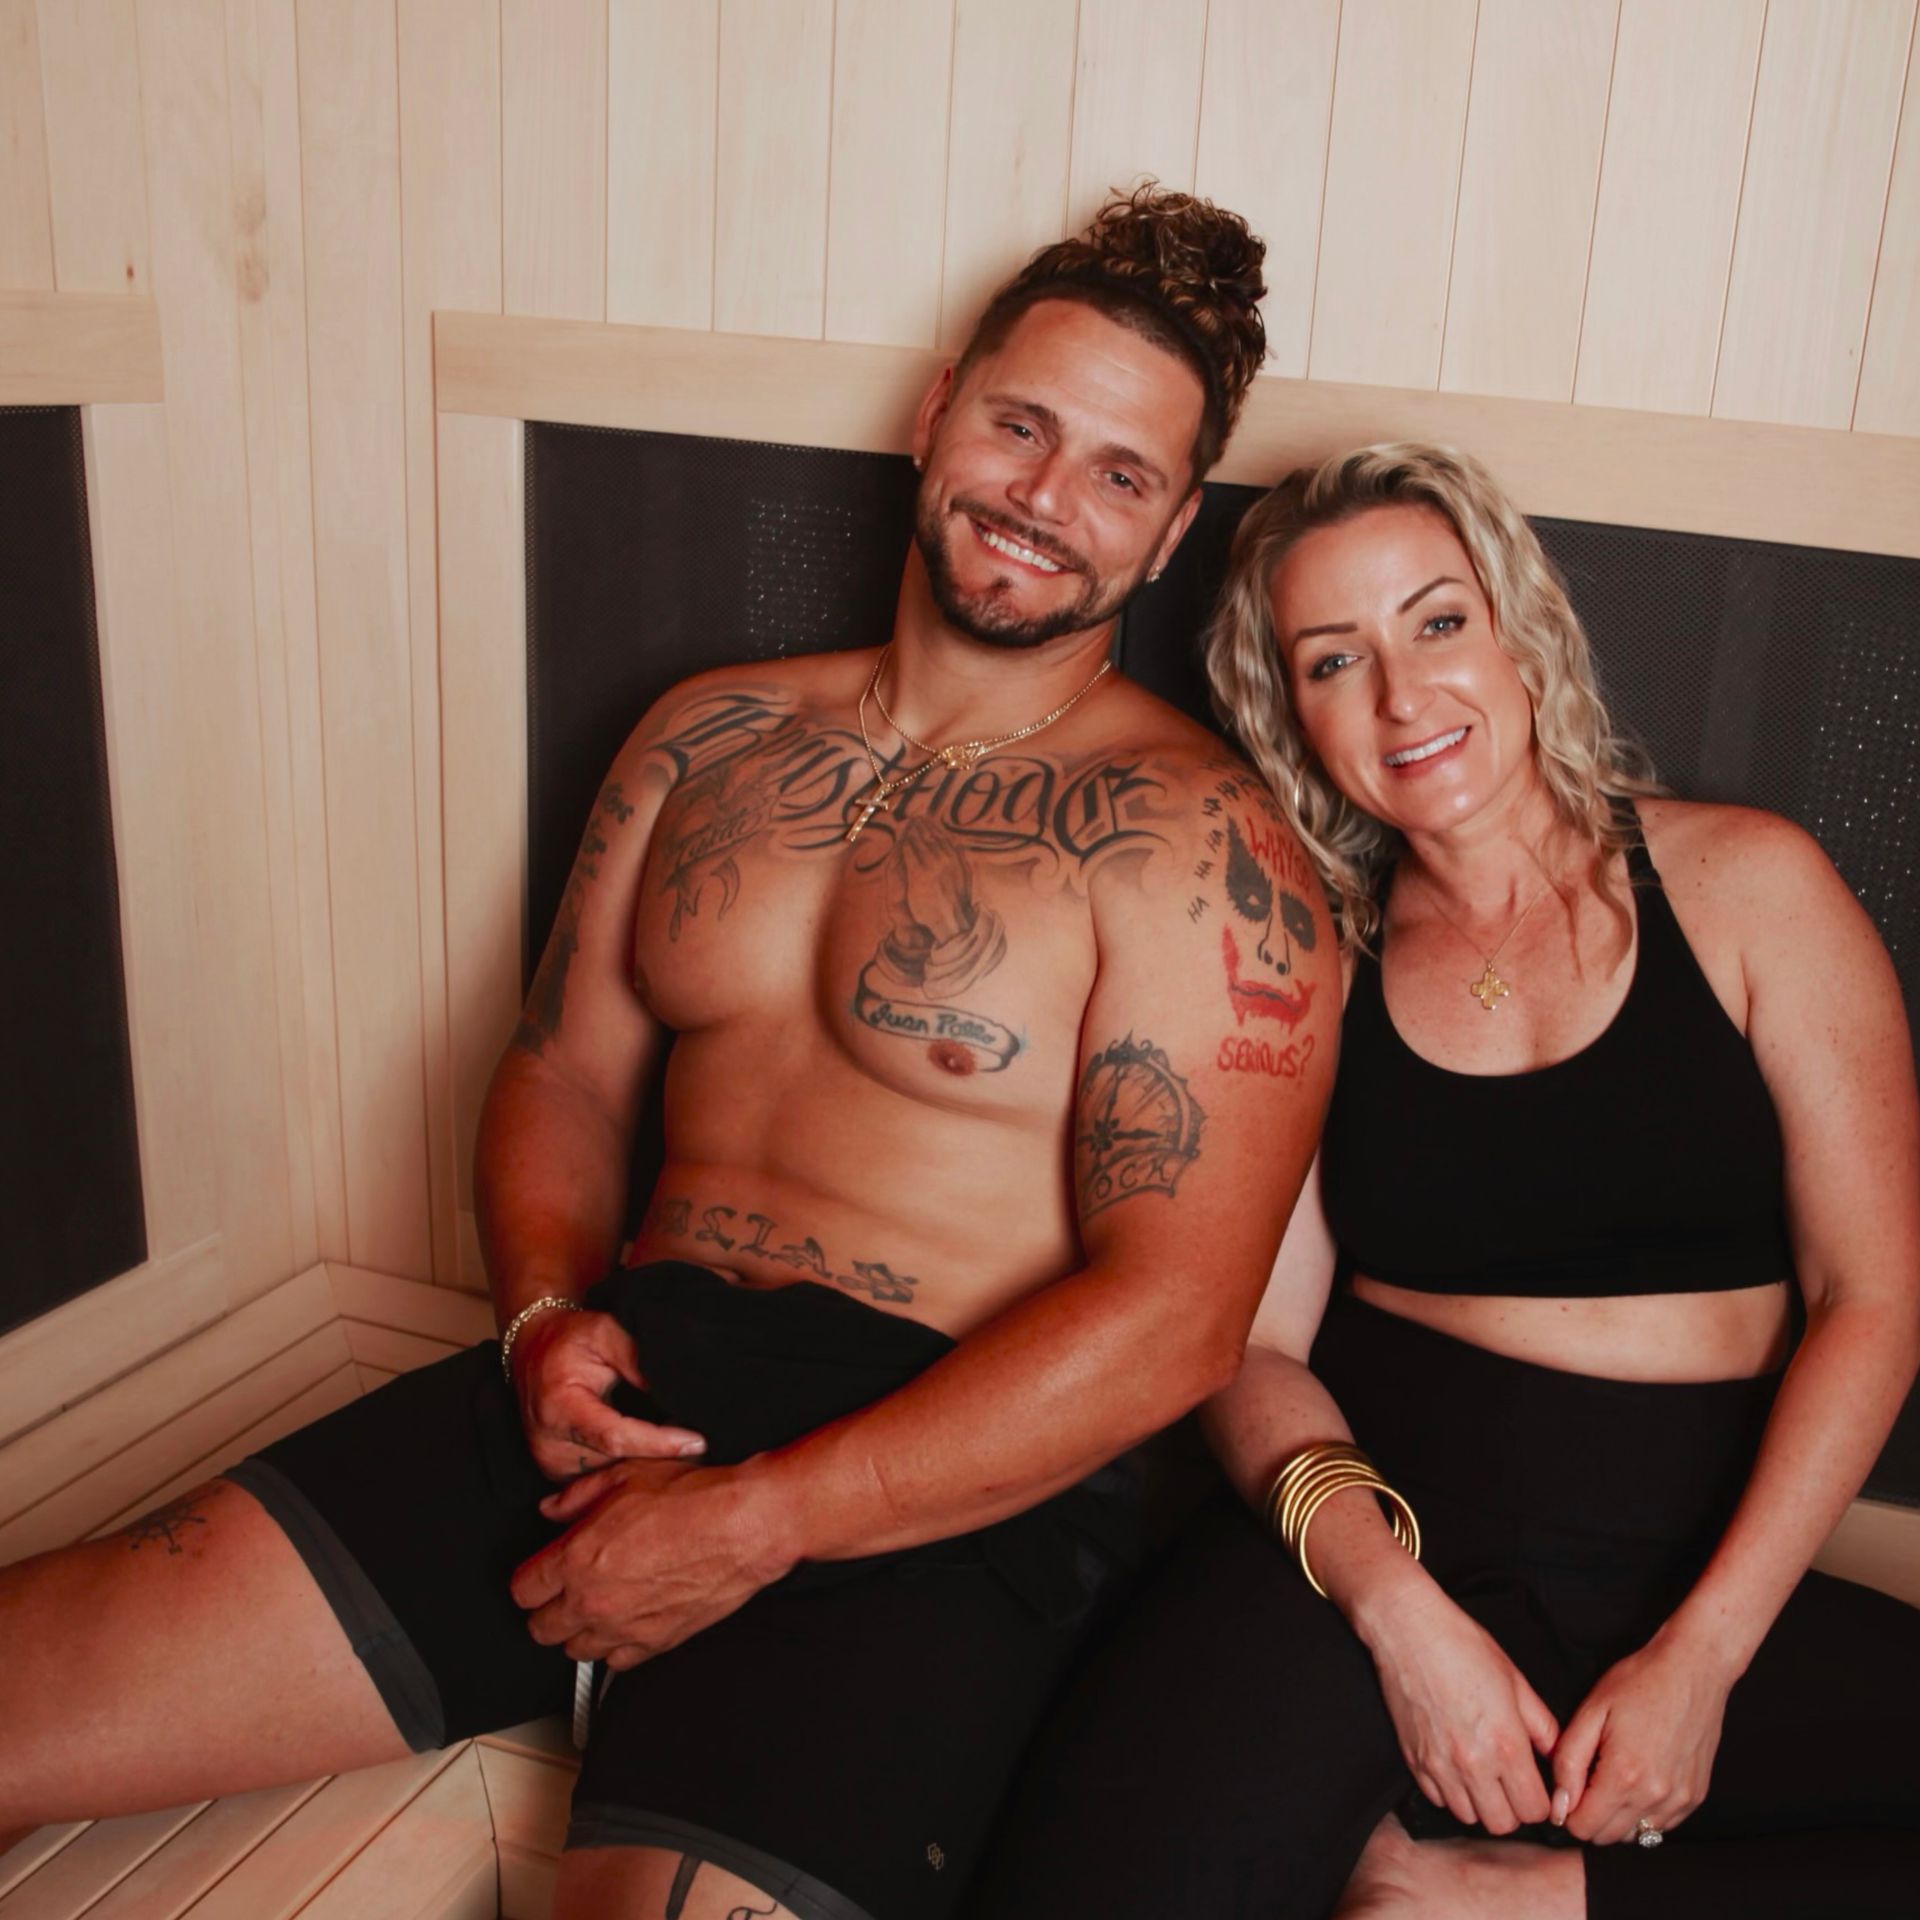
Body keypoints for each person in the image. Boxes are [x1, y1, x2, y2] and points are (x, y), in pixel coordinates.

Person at [0, 189, 1339, 1920]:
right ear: (937, 412)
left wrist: (766, 1522)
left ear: (1167, 540)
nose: (1044, 498)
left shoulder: (1197, 844)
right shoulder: (708, 732)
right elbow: (562, 1072)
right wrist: (548, 1321)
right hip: (629, 1377)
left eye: (1119, 475)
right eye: (1022, 424)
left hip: (939, 1466)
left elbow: (1174, 1321)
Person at [963, 443, 1920, 1920]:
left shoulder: (1750, 889)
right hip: (1370, 1541)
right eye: (1335, 659)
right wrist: (1392, 1607)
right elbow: (1251, 1346)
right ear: (1293, 711)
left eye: (1437, 622)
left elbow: (1874, 1299)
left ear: (1517, 626)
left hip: (1697, 1564)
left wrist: (1707, 1655)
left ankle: (1492, 1901)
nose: (1406, 697)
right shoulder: (1304, 968)